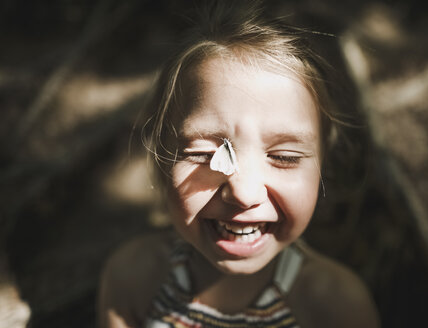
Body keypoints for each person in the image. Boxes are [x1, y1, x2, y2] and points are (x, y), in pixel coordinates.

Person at [98, 1, 380, 327]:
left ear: (321, 167)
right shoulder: (134, 279)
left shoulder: (335, 307)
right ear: (163, 160)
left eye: (283, 157)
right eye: (204, 155)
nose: (244, 194)